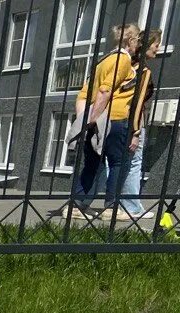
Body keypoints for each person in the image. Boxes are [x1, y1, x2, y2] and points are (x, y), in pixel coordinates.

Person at [65, 24, 142, 219]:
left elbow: (84, 94)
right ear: (130, 41)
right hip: (115, 120)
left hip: (97, 121)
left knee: (93, 164)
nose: (138, 45)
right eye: (137, 41)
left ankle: (77, 205)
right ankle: (111, 208)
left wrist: (87, 121)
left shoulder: (102, 61)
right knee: (118, 162)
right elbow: (105, 90)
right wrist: (94, 118)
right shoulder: (123, 60)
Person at [116, 29, 161, 223]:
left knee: (119, 162)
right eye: (156, 45)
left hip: (119, 120)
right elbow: (137, 101)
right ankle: (131, 206)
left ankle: (117, 203)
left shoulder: (128, 64)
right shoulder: (143, 70)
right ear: (148, 44)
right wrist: (135, 131)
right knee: (133, 163)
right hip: (132, 121)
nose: (158, 50)